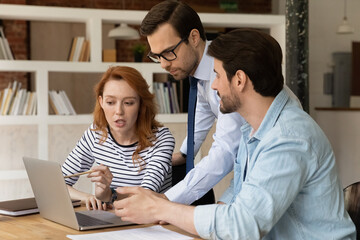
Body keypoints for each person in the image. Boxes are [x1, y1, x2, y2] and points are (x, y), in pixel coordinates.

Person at [112, 29, 356, 239]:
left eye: (217, 75)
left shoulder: (288, 137)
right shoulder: (253, 128)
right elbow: (235, 197)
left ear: (240, 80)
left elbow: (244, 224)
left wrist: (160, 209)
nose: (214, 85)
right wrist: (174, 215)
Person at [140, 0, 245, 205]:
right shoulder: (201, 72)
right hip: (247, 170)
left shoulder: (226, 71)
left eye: (169, 52)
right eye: (157, 56)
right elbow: (204, 111)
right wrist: (185, 153)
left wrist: (165, 200)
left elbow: (226, 149)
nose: (163, 64)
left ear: (194, 37)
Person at [61, 66, 174, 210]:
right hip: (110, 221)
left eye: (128, 103)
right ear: (101, 102)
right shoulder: (95, 134)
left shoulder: (162, 140)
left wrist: (108, 195)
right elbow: (58, 183)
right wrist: (87, 197)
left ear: (141, 104)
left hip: (150, 223)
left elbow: (144, 197)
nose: (119, 111)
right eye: (110, 102)